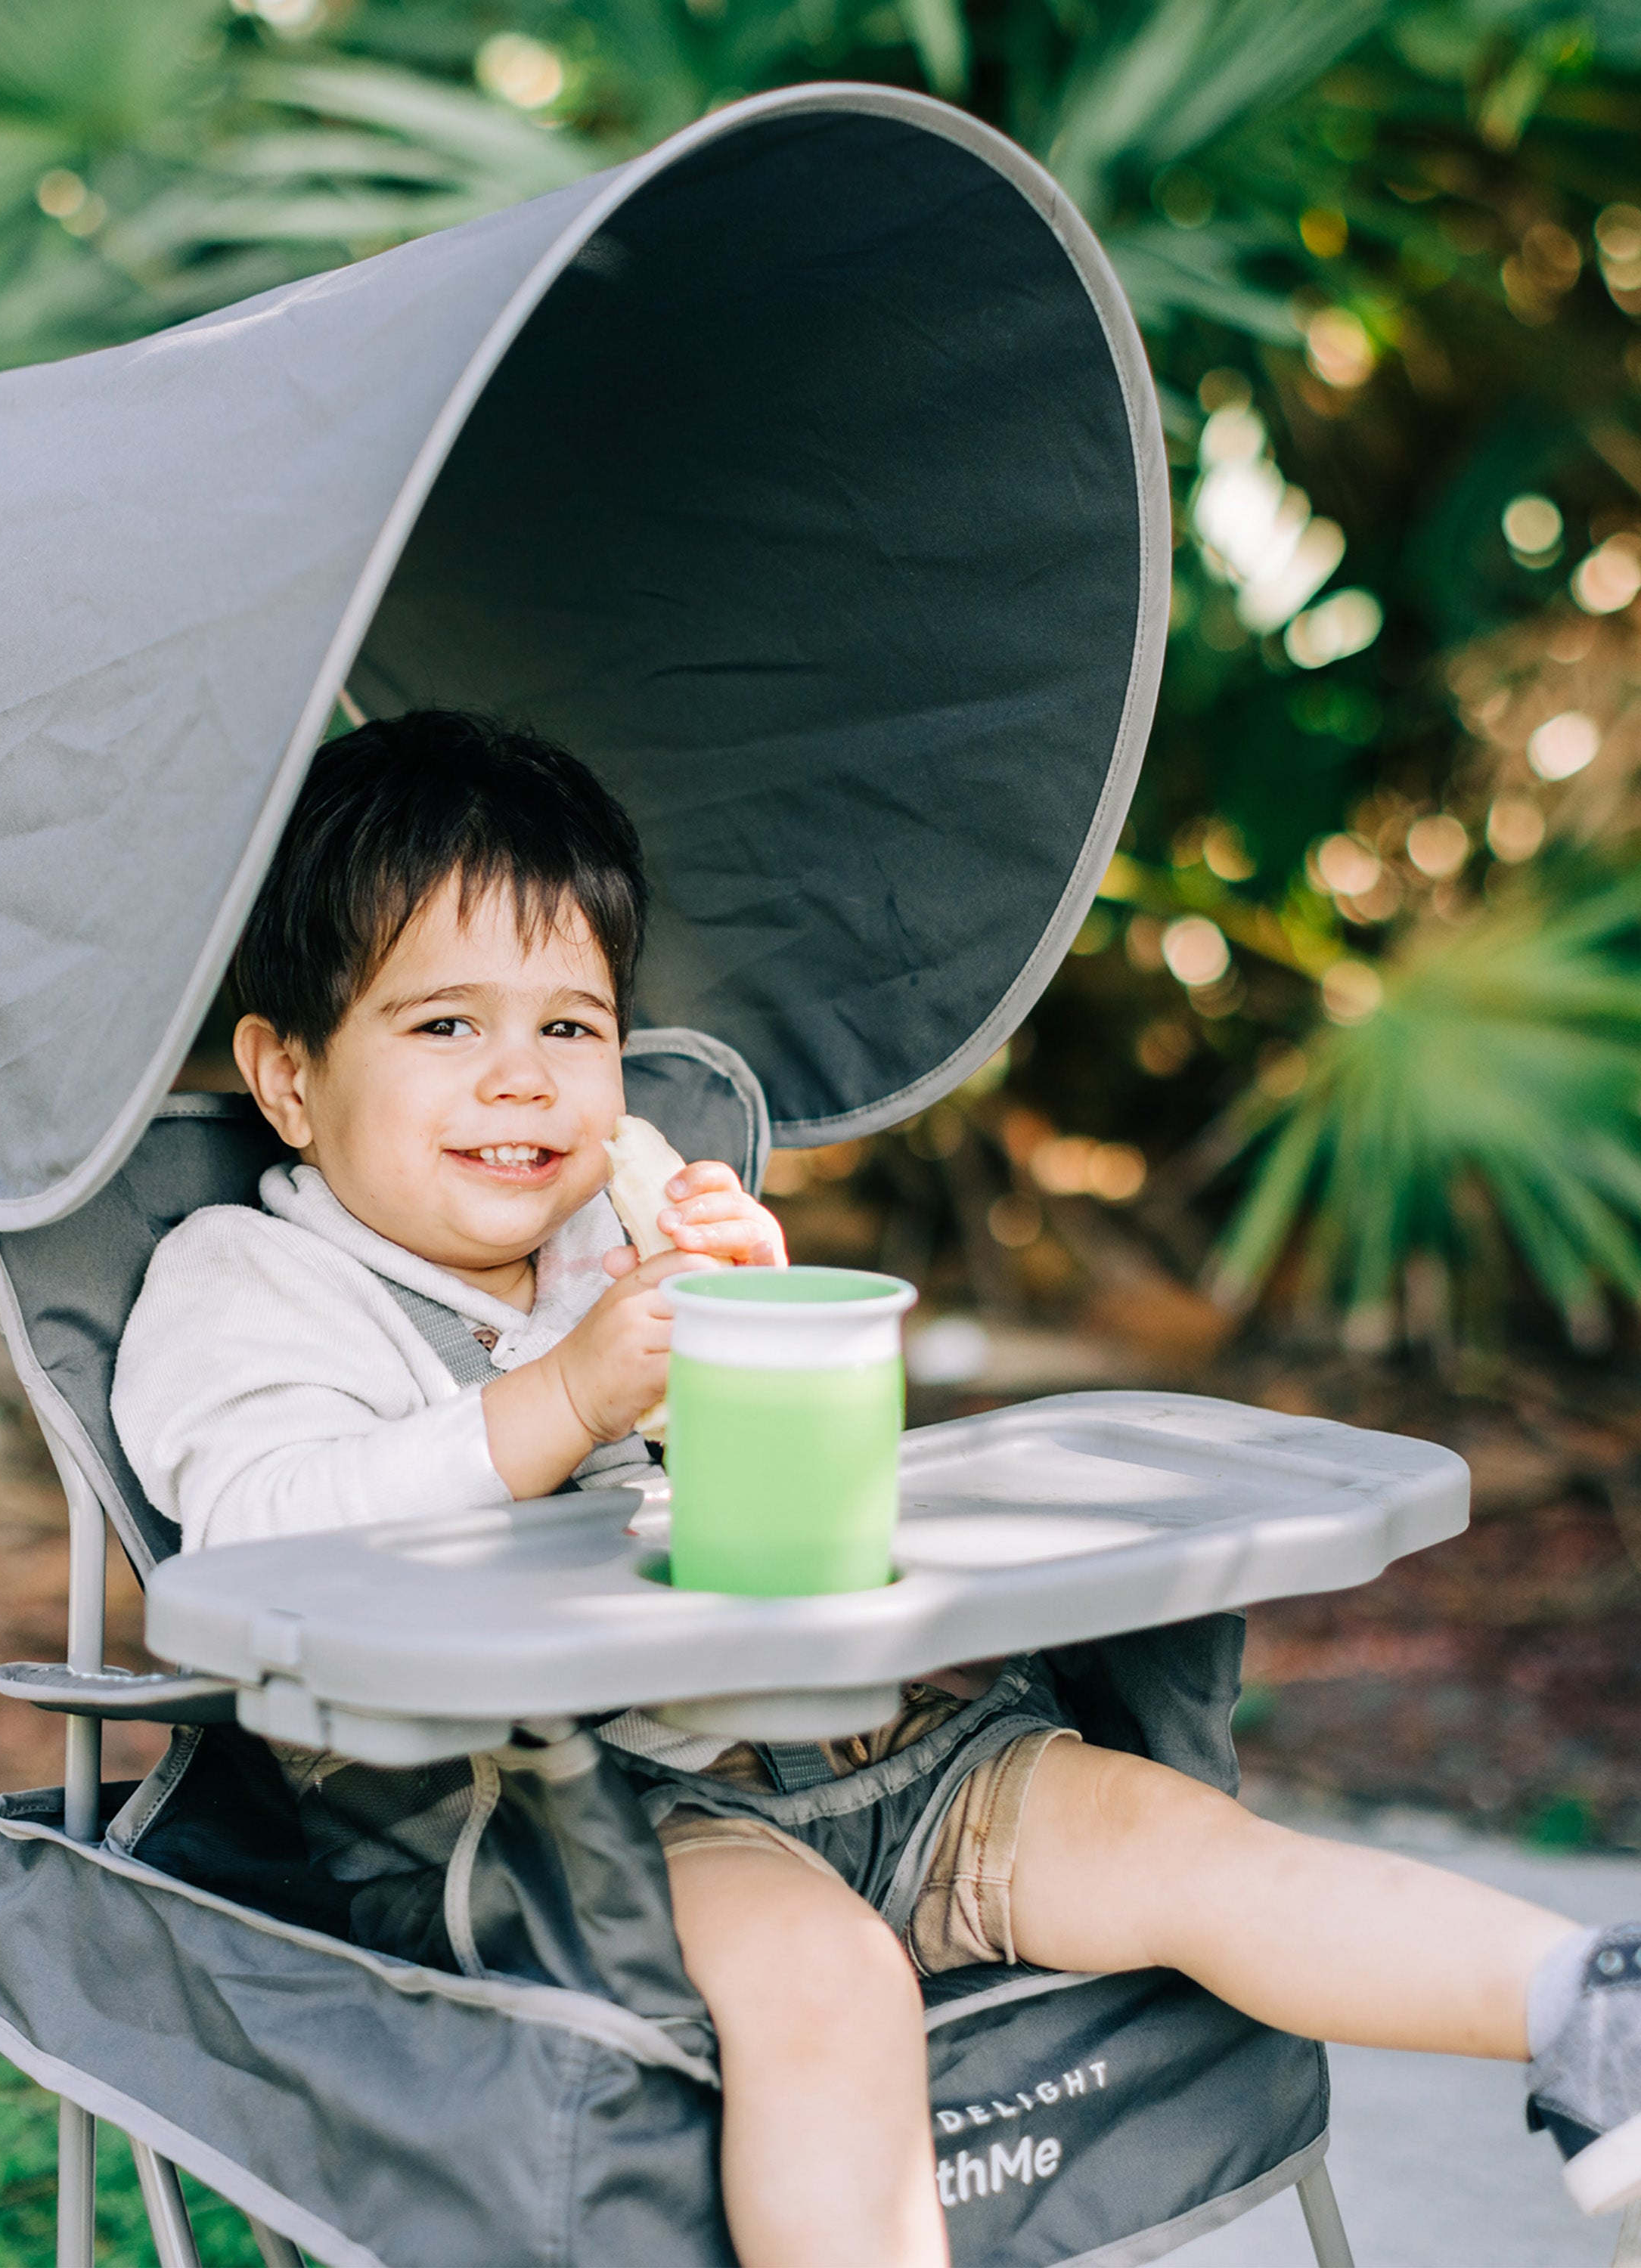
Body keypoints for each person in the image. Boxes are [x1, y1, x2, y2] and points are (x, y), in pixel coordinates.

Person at [115, 708, 1641, 2267]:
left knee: (1177, 1842)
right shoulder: (249, 1279)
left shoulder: (614, 1255)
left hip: (853, 1742)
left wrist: (752, 1357)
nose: (523, 1084)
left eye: (570, 1029)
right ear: (289, 1077)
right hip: (576, 1828)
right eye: (446, 1028)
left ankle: (1586, 2009)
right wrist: (563, 1398)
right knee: (834, 1986)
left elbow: (772, 1530)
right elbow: (258, 1545)